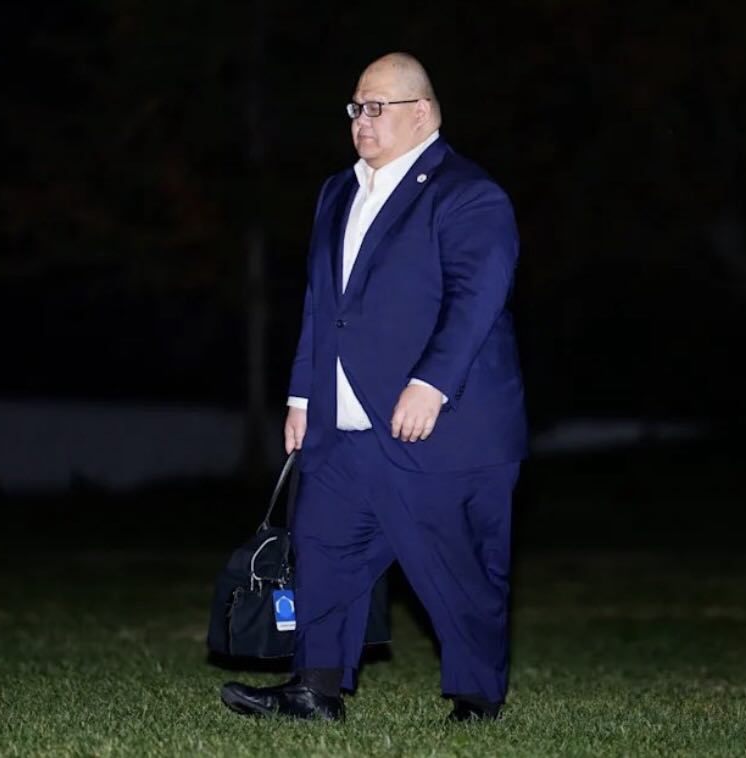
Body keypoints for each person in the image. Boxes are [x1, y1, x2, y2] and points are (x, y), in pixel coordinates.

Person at [221, 52, 527, 723]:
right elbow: (322, 302)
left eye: (378, 107)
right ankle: (315, 689)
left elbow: (477, 296)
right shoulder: (338, 192)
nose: (363, 119)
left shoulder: (467, 194)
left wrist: (431, 383)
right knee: (324, 551)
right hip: (343, 424)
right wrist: (302, 396)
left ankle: (477, 700)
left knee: (457, 572)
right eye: (357, 107)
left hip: (441, 426)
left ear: (423, 113)